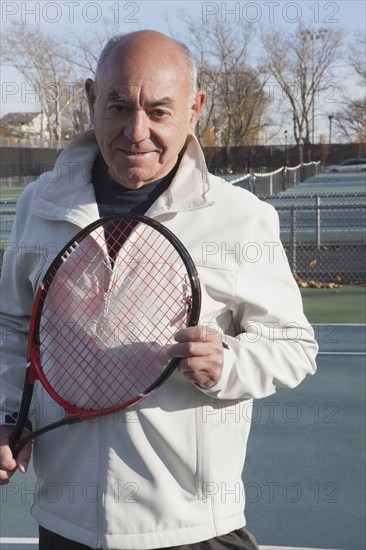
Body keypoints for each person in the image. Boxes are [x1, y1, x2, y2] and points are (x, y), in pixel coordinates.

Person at [0, 30, 318, 550]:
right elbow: (13, 324)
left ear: (195, 109)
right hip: (65, 520)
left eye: (159, 111)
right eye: (119, 106)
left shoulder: (242, 219)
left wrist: (227, 365)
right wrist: (6, 414)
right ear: (90, 100)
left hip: (192, 525)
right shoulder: (40, 203)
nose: (136, 131)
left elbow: (294, 347)